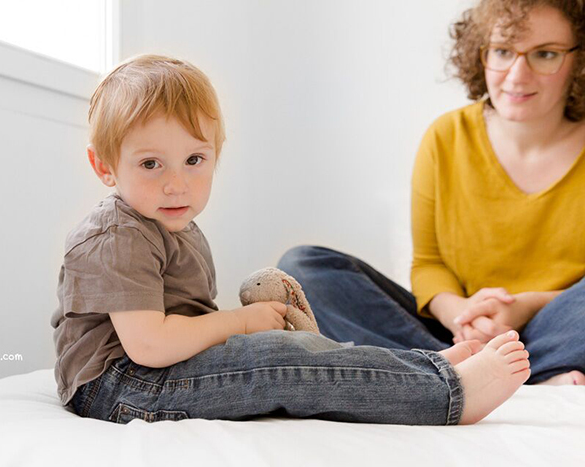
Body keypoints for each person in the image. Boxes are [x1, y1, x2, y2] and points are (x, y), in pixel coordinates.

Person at [50, 54, 529, 427]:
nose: (176, 183)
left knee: (292, 341)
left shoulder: (171, 223)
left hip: (147, 374)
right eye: (151, 164)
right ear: (105, 167)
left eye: (194, 160)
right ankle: (447, 394)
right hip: (120, 387)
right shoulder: (119, 234)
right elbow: (150, 345)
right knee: (277, 362)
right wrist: (238, 324)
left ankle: (417, 367)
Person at [279, 0, 584, 386]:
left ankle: (468, 375)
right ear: (481, 53)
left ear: (579, 60)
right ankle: (477, 372)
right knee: (302, 268)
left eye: (545, 54)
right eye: (503, 52)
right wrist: (461, 315)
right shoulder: (446, 136)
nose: (517, 75)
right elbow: (429, 263)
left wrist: (520, 309)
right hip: (453, 333)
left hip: (556, 327)